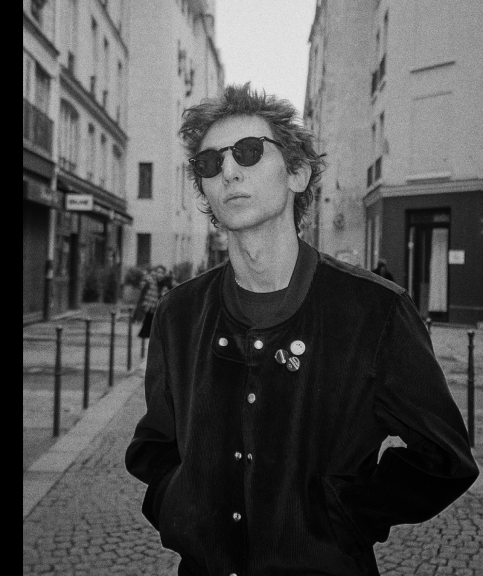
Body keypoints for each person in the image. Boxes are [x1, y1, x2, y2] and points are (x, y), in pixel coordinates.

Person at [124, 83, 478, 576]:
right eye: (209, 163)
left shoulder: (374, 311)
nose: (228, 171)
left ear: (297, 172)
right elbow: (155, 444)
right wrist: (175, 502)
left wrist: (343, 516)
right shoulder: (178, 314)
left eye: (248, 152)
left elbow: (444, 457)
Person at [133, 265, 173, 356]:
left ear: (164, 274)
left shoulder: (167, 284)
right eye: (158, 272)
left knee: (160, 335)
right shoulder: (150, 283)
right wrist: (137, 313)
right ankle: (148, 354)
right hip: (150, 312)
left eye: (162, 273)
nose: (160, 274)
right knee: (148, 334)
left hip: (162, 314)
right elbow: (142, 297)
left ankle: (158, 353)